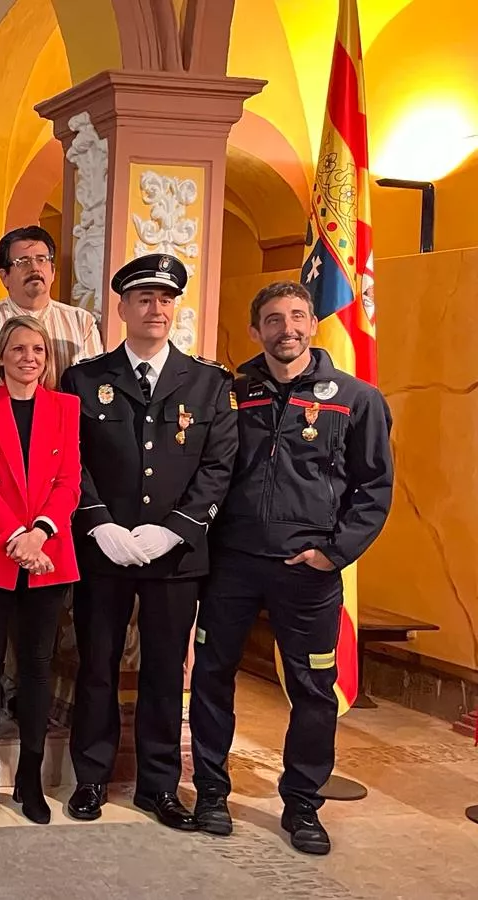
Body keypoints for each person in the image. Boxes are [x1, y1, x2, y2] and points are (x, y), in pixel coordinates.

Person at [189, 281, 393, 856]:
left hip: (308, 572)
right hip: (231, 564)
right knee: (210, 678)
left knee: (312, 689)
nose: (288, 329)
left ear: (313, 323)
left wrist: (334, 552)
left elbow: (374, 487)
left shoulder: (356, 400)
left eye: (298, 316)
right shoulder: (231, 394)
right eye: (274, 319)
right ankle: (210, 792)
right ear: (256, 329)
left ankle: (303, 804)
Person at [60, 254, 237, 828]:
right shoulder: (85, 378)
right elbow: (72, 459)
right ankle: (90, 778)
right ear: (122, 308)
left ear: (175, 307)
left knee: (165, 672)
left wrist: (175, 529)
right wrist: (98, 522)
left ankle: (159, 787)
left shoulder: (211, 383)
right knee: (97, 667)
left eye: (164, 299)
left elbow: (219, 466)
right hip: (104, 551)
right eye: (143, 298)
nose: (154, 308)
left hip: (175, 557)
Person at [0, 315, 80, 825]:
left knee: (36, 669)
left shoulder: (66, 407)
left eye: (39, 351)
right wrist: (15, 537)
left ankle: (29, 780)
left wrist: (39, 534)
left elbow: (69, 479)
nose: (30, 358)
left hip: (48, 553)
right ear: (1, 355)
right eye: (19, 349)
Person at [0, 225, 102, 394]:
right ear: (5, 277)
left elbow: (91, 391)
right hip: (2, 419)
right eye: (23, 262)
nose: (34, 268)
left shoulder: (81, 321)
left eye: (42, 259)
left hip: (69, 419)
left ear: (53, 271)